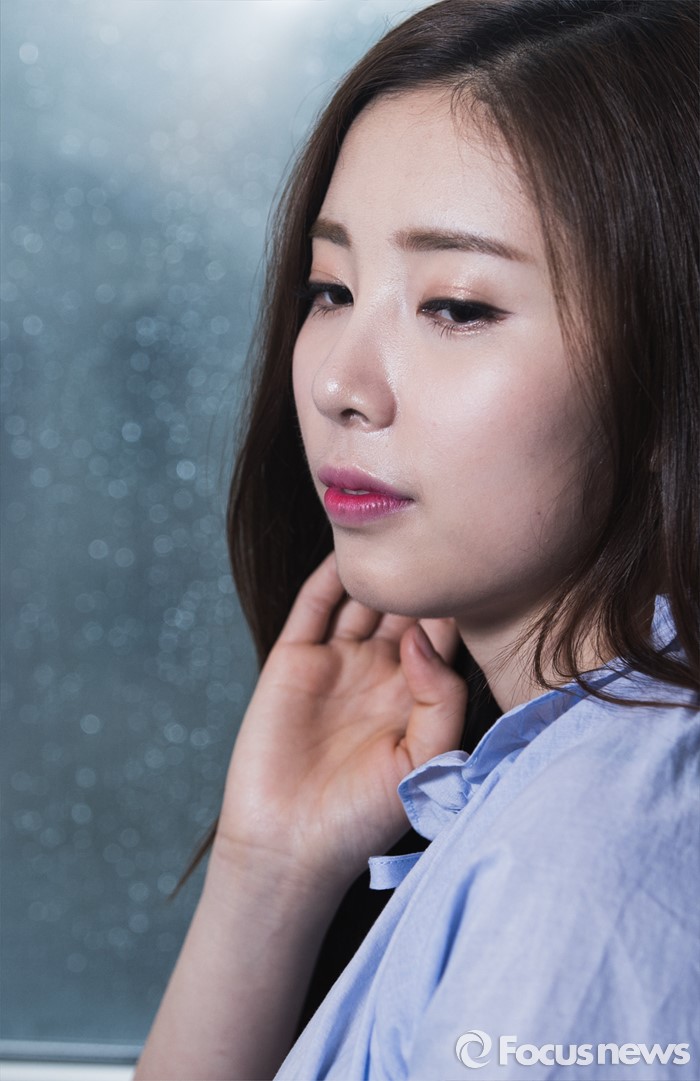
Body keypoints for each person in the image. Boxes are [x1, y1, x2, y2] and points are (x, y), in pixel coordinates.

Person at [134, 1, 699, 1078]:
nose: (339, 384)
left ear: (673, 363)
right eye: (331, 289)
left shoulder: (587, 861)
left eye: (456, 307)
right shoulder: (550, 784)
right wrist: (267, 873)